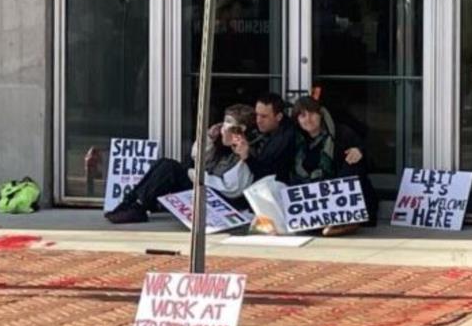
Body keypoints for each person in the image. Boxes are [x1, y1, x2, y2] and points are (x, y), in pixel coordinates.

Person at [105, 104, 257, 224]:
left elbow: (231, 190)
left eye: (228, 124)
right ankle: (130, 202)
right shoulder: (223, 147)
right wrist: (209, 138)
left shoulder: (243, 155)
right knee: (164, 163)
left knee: (170, 168)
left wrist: (196, 175)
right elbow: (197, 157)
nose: (223, 129)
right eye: (223, 123)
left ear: (240, 129)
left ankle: (138, 206)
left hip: (220, 200)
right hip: (205, 186)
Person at [290, 95, 379, 236]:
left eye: (312, 113)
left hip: (343, 199)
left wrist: (360, 152)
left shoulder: (341, 133)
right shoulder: (296, 141)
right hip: (314, 202)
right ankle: (329, 222)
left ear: (320, 114)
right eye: (302, 116)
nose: (308, 119)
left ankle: (345, 220)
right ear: (297, 120)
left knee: (351, 163)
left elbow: (370, 163)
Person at [228, 92, 295, 183]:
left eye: (264, 116)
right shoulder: (269, 130)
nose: (258, 120)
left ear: (278, 117)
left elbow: (268, 175)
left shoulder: (286, 138)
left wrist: (247, 157)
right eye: (257, 115)